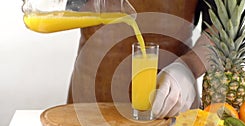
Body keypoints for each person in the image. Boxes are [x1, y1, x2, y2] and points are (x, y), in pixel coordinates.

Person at [67, 0, 215, 119]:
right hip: (88, 105)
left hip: (171, 108)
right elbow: (68, 7)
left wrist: (187, 68)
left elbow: (222, 27)